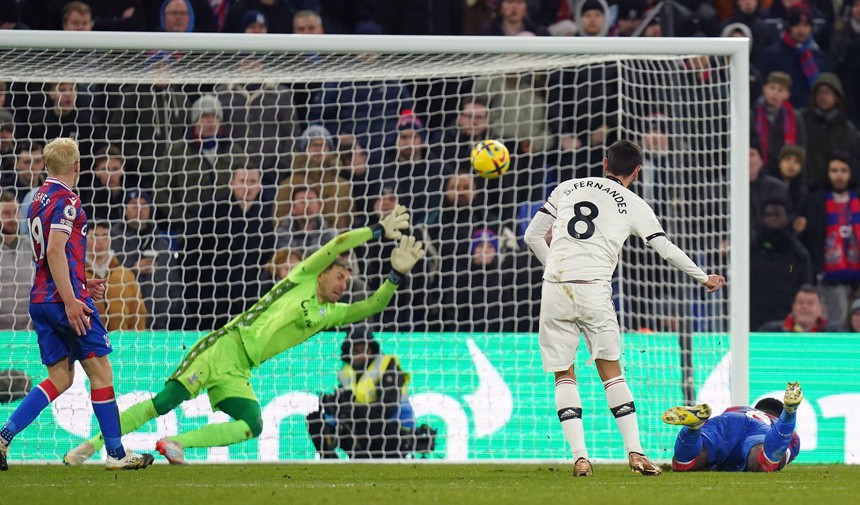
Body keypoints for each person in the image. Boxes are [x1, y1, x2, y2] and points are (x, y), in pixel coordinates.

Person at [63, 206, 424, 465]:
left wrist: (395, 274)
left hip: (240, 369)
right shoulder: (300, 277)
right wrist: (377, 231)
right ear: (323, 273)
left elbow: (373, 305)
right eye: (340, 277)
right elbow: (339, 242)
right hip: (224, 346)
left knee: (253, 423)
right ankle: (89, 447)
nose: (344, 285)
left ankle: (176, 443)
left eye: (348, 280)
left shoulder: (331, 313)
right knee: (164, 402)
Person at [523, 140, 725, 477]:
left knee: (564, 374)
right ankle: (635, 453)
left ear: (605, 163)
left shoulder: (567, 187)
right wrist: (703, 277)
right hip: (594, 289)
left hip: (555, 287)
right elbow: (665, 248)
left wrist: (554, 268)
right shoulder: (634, 203)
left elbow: (532, 236)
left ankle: (580, 458)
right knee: (612, 374)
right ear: (637, 172)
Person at [0, 137, 152, 471]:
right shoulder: (67, 200)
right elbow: (55, 250)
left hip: (42, 298)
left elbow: (51, 254)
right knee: (101, 371)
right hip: (63, 300)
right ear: (77, 166)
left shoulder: (37, 199)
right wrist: (72, 299)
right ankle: (116, 453)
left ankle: (3, 436)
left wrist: (81, 281)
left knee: (60, 378)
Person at [306, 326, 436, 459]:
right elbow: (346, 399)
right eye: (356, 351)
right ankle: (330, 461)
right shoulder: (347, 371)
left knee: (356, 417)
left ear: (372, 349)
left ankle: (364, 457)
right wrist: (333, 404)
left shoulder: (387, 365)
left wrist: (352, 409)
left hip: (394, 430)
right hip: (360, 426)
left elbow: (387, 408)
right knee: (315, 420)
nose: (361, 354)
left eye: (364, 349)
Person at [662, 382, 803, 472]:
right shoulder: (777, 425)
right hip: (761, 432)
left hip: (729, 420)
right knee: (764, 461)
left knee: (688, 462)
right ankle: (789, 413)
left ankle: (693, 429)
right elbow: (779, 458)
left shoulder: (739, 408)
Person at [86, 221, 147, 331]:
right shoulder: (76, 274)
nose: (100, 241)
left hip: (122, 340)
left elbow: (138, 316)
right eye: (94, 236)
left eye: (105, 236)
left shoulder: (126, 275)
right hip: (88, 340)